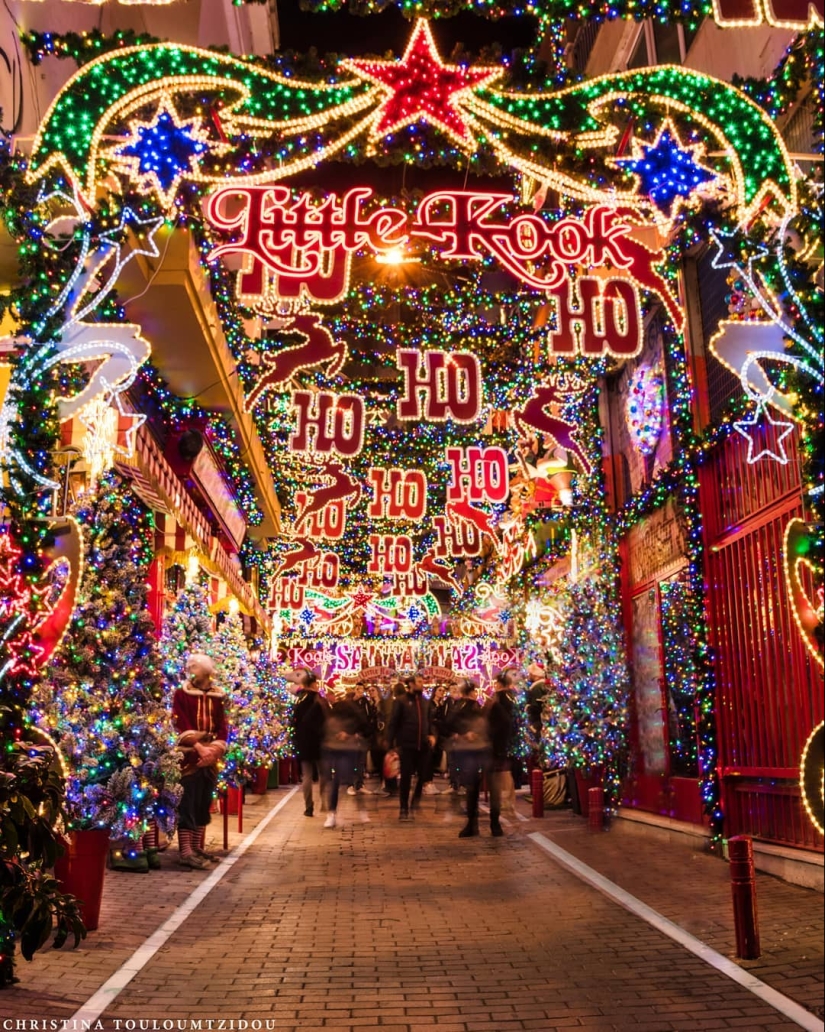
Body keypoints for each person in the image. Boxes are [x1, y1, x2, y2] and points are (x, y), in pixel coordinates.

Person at [171, 653, 228, 869]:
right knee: (187, 803)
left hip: (210, 757)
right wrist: (199, 747)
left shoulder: (218, 695)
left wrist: (214, 749)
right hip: (189, 756)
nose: (189, 668)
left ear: (205, 670)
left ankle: (196, 847)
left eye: (194, 666)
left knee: (203, 802)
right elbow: (180, 721)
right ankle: (185, 851)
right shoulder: (181, 694)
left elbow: (223, 725)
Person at [441, 678, 491, 838]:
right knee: (472, 786)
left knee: (472, 786)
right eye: (475, 692)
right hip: (471, 750)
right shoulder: (468, 705)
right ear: (470, 693)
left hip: (470, 750)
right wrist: (465, 733)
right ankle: (473, 822)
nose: (477, 694)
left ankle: (472, 823)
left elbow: (448, 722)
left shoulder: (464, 705)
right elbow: (449, 723)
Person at [387, 672, 436, 820]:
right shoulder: (401, 701)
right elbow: (393, 723)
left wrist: (432, 734)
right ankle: (403, 808)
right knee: (406, 778)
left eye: (423, 682)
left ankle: (415, 801)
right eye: (419, 682)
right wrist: (390, 743)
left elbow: (430, 721)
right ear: (411, 684)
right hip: (407, 745)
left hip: (424, 745)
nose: (422, 684)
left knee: (423, 777)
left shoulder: (425, 702)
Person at [322, 690, 372, 829]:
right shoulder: (352, 716)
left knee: (338, 782)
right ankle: (360, 812)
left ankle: (332, 814)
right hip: (345, 751)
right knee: (348, 781)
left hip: (339, 751)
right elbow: (365, 727)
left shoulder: (333, 716)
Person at [288, 667, 327, 817]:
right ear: (313, 684)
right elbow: (325, 720)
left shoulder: (299, 700)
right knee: (324, 774)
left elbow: (294, 722)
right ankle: (324, 802)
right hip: (319, 742)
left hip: (303, 743)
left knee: (307, 776)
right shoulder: (319, 700)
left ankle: (308, 807)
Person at [485, 668, 519, 837]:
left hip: (499, 743)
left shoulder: (499, 699)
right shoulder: (513, 698)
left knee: (502, 776)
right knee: (506, 773)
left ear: (499, 684)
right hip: (509, 742)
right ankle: (508, 804)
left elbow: (501, 723)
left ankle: (506, 805)